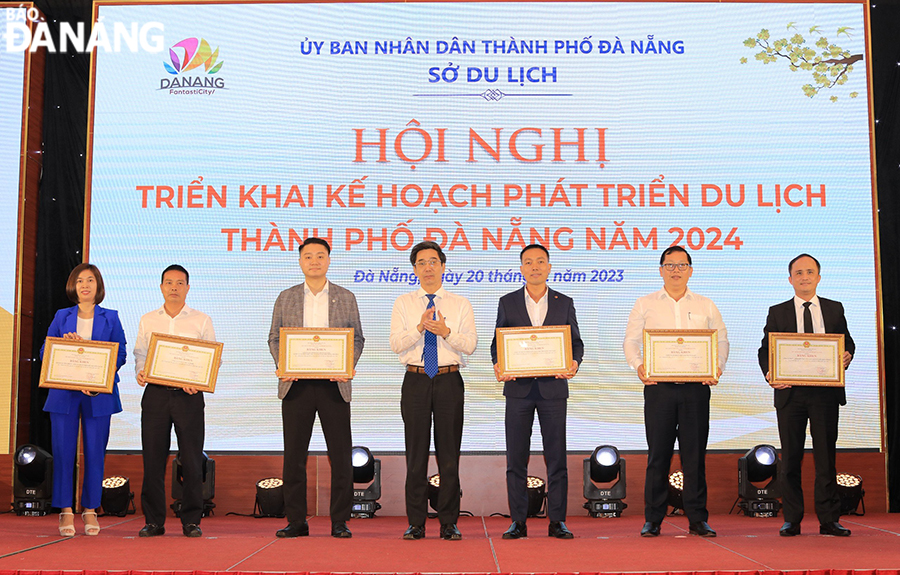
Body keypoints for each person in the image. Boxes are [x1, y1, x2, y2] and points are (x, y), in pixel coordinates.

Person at [623, 246, 728, 538]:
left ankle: (698, 519)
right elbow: (631, 341)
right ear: (660, 270)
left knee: (694, 456)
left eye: (682, 265)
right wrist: (639, 365)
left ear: (691, 270)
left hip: (696, 390)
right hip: (659, 390)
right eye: (670, 265)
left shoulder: (706, 304)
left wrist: (716, 366)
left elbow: (721, 341)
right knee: (658, 456)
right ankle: (653, 519)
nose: (676, 270)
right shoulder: (645, 303)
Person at [268, 237, 364, 538]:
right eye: (307, 256)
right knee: (294, 456)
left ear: (328, 260)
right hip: (296, 385)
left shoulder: (345, 297)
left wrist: (346, 365)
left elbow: (357, 339)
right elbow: (274, 338)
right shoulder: (286, 297)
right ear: (300, 262)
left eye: (320, 256)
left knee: (340, 453)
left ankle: (339, 520)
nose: (314, 261)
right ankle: (296, 520)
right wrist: (283, 363)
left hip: (334, 385)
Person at [757, 254, 855, 537]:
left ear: (818, 277)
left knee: (826, 458)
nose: (804, 277)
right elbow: (766, 350)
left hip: (825, 393)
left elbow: (846, 341)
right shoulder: (778, 311)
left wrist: (847, 353)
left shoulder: (834, 309)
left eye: (809, 272)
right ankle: (792, 519)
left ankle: (829, 520)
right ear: (790, 279)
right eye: (798, 273)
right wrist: (769, 373)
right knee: (790, 459)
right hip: (790, 394)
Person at [490, 244, 583, 539]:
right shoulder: (507, 302)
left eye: (540, 261)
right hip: (518, 390)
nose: (535, 267)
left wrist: (574, 362)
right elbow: (497, 343)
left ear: (549, 267)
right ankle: (518, 521)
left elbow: (576, 343)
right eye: (528, 262)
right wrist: (498, 363)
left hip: (553, 390)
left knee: (556, 457)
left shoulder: (563, 302)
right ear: (521, 268)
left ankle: (557, 521)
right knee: (516, 459)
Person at [390, 241, 477, 541]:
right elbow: (395, 345)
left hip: (449, 381)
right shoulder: (403, 303)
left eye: (433, 262)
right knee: (415, 455)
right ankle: (416, 522)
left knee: (449, 454)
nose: (428, 268)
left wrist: (446, 332)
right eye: (421, 263)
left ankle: (448, 522)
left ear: (443, 265)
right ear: (414, 269)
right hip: (415, 380)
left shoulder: (459, 303)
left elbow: (471, 345)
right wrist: (419, 328)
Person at [42, 263, 127, 537]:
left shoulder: (111, 317)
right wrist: (63, 345)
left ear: (98, 286)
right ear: (73, 286)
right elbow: (46, 350)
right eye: (80, 281)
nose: (85, 285)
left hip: (98, 395)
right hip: (64, 393)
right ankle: (65, 510)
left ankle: (90, 508)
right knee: (63, 451)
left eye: (90, 280)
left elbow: (121, 353)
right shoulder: (61, 316)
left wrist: (100, 378)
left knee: (94, 453)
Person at [134, 265, 216, 538]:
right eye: (168, 282)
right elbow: (140, 353)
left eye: (179, 283)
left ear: (187, 288)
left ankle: (191, 521)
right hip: (156, 394)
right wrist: (141, 371)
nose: (173, 287)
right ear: (161, 287)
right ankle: (154, 522)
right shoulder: (148, 319)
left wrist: (200, 380)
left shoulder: (201, 320)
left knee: (192, 460)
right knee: (153, 459)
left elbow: (211, 357)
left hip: (189, 396)